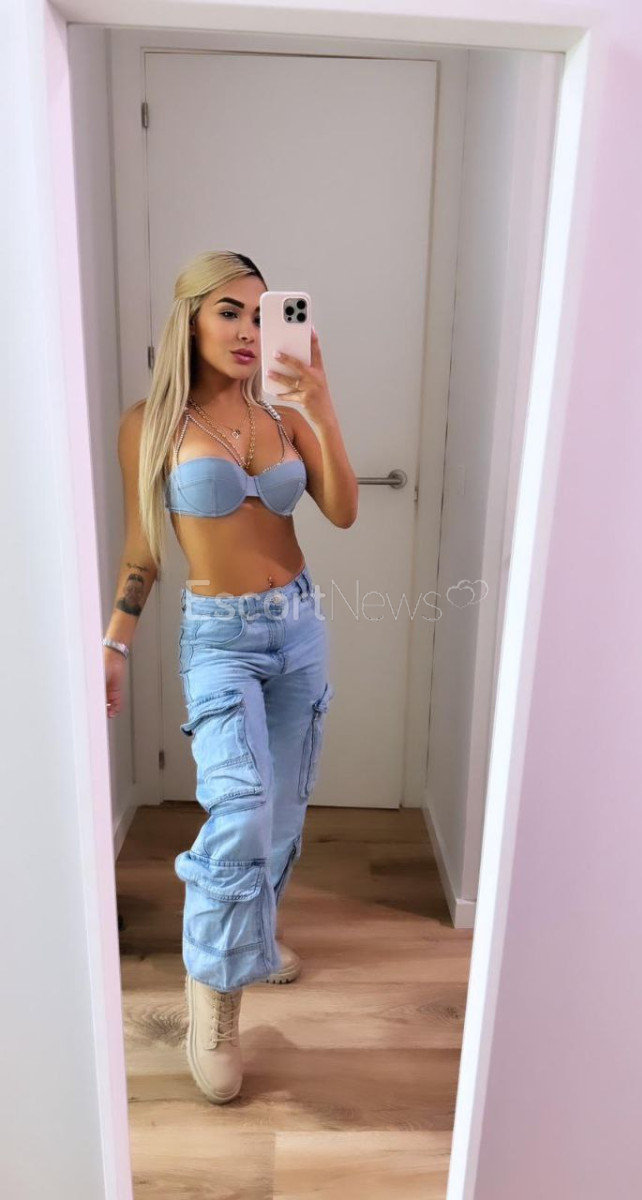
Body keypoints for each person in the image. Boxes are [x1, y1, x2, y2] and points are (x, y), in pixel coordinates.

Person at [102, 250, 358, 1103]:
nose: (249, 331)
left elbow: (343, 511)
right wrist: (114, 644)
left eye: (260, 314)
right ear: (190, 319)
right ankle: (214, 994)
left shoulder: (281, 415)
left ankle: (253, 937)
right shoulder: (150, 424)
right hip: (220, 640)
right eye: (229, 312)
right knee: (239, 806)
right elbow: (143, 551)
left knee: (281, 809)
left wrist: (320, 405)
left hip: (298, 627)